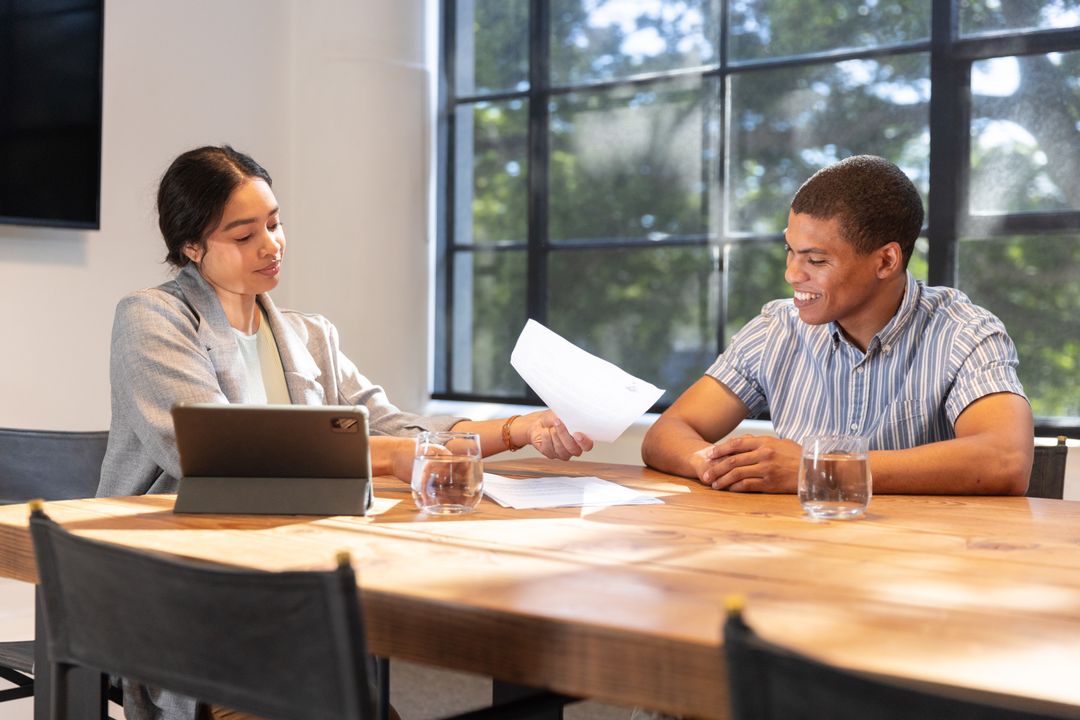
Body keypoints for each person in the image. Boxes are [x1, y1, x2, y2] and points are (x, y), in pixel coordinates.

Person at [98, 145, 593, 719]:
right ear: (191, 246)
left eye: (276, 223)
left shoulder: (310, 336)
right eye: (243, 235)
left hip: (299, 589)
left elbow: (401, 428)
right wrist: (386, 458)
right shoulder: (152, 317)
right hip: (196, 597)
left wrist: (518, 429)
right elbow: (210, 454)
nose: (272, 245)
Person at [642, 155, 1033, 496]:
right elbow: (667, 433)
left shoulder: (965, 333)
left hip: (918, 564)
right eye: (790, 251)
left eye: (815, 261)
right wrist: (710, 464)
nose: (792, 274)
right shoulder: (775, 329)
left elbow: (1005, 459)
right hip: (800, 556)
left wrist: (820, 468)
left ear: (886, 261)